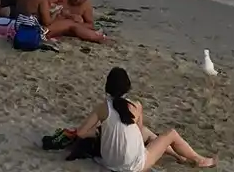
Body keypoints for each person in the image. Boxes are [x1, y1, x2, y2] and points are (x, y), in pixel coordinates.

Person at [73, 67, 215, 170]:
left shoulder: (102, 108)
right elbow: (138, 134)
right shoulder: (136, 106)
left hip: (109, 162)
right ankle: (199, 159)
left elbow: (80, 133)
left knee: (148, 133)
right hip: (132, 166)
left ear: (107, 87)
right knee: (171, 134)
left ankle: (179, 157)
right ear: (127, 88)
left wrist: (98, 131)